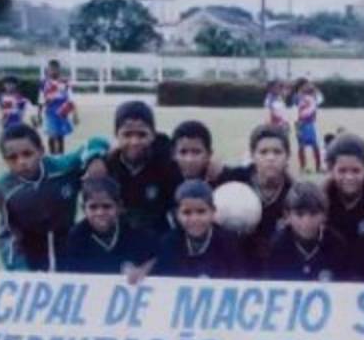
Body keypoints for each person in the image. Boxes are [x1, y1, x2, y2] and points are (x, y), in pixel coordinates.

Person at [0, 123, 109, 271]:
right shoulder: (5, 187)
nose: (21, 162)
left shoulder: (62, 168)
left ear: (41, 151)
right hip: (32, 259)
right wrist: (20, 270)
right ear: (4, 160)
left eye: (27, 154)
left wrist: (95, 158)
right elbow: (8, 234)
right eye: (12, 158)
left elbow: (95, 142)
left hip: (70, 250)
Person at [92, 101, 182, 236]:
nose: (134, 142)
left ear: (152, 134)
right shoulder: (107, 166)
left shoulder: (167, 165)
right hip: (117, 241)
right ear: (116, 135)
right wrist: (94, 158)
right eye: (127, 135)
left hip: (157, 239)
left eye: (142, 135)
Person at [214, 124, 293, 270]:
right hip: (232, 261)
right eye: (263, 152)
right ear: (252, 155)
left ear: (287, 156)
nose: (270, 158)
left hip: (274, 265)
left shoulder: (293, 192)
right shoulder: (232, 180)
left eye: (277, 152)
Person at [59, 176, 157, 278]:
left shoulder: (135, 231)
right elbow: (72, 275)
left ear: (119, 207)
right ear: (84, 209)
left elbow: (156, 258)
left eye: (107, 206)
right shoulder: (76, 236)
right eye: (93, 207)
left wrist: (142, 270)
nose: (100, 213)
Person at [154, 180, 246, 279]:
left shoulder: (230, 243)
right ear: (177, 215)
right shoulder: (169, 243)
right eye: (187, 212)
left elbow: (239, 278)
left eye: (201, 211)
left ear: (213, 212)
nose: (194, 219)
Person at [264, 181, 350, 282]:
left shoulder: (336, 244)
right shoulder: (277, 245)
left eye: (313, 214)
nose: (306, 222)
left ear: (325, 215)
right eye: (299, 215)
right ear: (287, 216)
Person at [322, 132, 364, 248]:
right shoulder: (322, 200)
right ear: (330, 170)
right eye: (342, 171)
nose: (349, 177)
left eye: (356, 171)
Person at [38, 59, 76, 154]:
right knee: (51, 135)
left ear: (59, 70)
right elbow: (41, 99)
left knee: (60, 136)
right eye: (51, 69)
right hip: (50, 112)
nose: (53, 71)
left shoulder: (65, 82)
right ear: (48, 70)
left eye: (56, 69)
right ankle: (52, 155)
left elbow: (71, 98)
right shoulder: (44, 83)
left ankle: (61, 156)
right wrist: (39, 114)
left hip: (62, 112)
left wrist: (75, 113)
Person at [294, 79, 323, 173]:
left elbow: (320, 99)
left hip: (310, 124)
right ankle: (303, 167)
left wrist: (315, 90)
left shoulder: (312, 96)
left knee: (315, 146)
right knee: (301, 146)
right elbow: (298, 105)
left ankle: (318, 167)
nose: (309, 86)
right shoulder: (299, 97)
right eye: (306, 85)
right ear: (301, 87)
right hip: (301, 123)